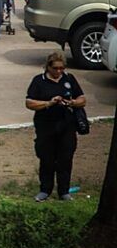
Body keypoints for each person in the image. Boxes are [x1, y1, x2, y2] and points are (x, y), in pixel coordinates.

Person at [25, 51, 86, 202]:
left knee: (65, 158)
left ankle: (64, 191)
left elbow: (82, 99)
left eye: (62, 68)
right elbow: (29, 103)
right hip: (46, 125)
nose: (59, 71)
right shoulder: (39, 81)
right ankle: (45, 189)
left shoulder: (69, 79)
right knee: (47, 159)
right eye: (56, 68)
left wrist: (71, 102)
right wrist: (48, 103)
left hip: (66, 125)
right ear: (48, 67)